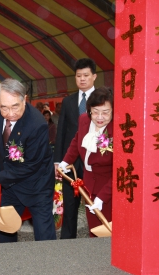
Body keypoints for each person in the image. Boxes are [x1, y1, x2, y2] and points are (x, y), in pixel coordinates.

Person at [0, 78, 56, 243]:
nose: (10, 113)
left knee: (44, 236)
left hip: (37, 185)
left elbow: (31, 165)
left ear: (24, 100)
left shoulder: (37, 125)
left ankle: (50, 266)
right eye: (4, 108)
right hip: (12, 185)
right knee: (5, 230)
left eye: (15, 106)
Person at [58, 87, 113, 237]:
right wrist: (65, 161)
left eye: (105, 112)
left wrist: (103, 197)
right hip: (89, 184)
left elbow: (120, 172)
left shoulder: (117, 130)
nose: (100, 117)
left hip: (109, 187)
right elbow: (77, 141)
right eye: (95, 111)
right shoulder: (84, 120)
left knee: (109, 230)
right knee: (94, 230)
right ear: (89, 110)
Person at [54, 57, 97, 239]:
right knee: (70, 204)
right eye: (79, 76)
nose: (82, 79)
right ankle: (67, 242)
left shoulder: (102, 100)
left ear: (94, 77)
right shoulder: (68, 102)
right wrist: (58, 160)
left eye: (86, 75)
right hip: (70, 162)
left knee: (94, 203)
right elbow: (61, 131)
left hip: (94, 160)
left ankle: (97, 239)